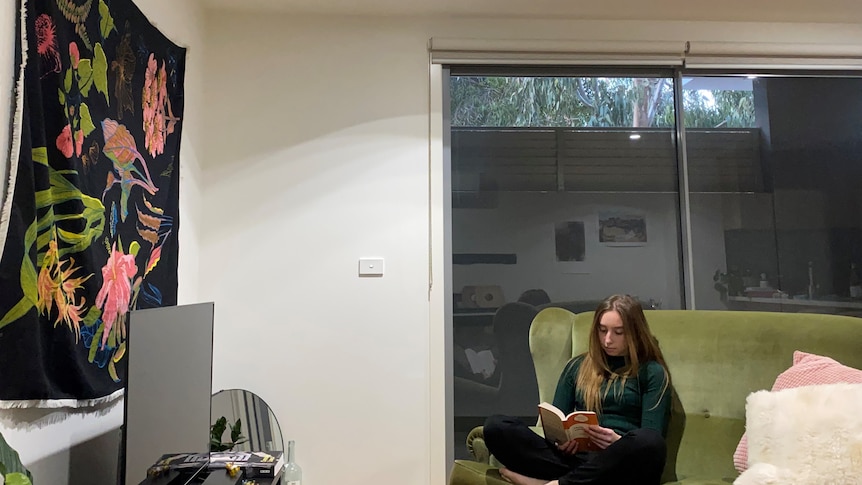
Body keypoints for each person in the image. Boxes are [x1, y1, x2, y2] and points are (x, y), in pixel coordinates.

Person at [483, 294, 672, 485]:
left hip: (621, 464)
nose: (607, 340)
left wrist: (617, 442)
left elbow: (652, 433)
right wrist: (562, 442)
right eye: (602, 330)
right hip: (576, 460)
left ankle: (553, 483)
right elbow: (555, 419)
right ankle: (577, 481)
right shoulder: (577, 367)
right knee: (496, 427)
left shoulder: (651, 372)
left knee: (650, 441)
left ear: (635, 332)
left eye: (618, 332)